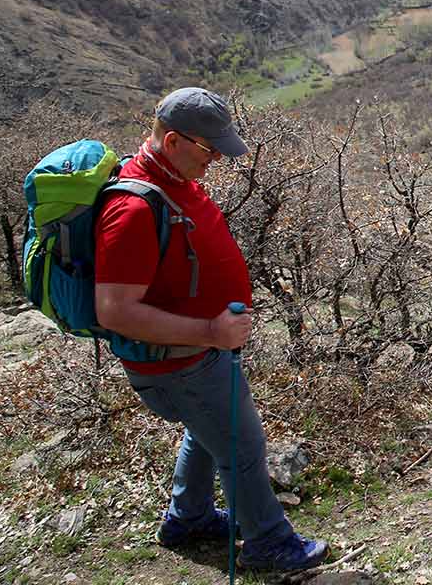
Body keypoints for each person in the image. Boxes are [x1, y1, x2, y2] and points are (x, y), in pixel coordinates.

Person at [94, 88, 327, 571]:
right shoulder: (134, 209)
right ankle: (269, 543)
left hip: (197, 351)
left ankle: (188, 517)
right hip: (178, 360)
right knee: (242, 445)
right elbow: (114, 310)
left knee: (207, 431)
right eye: (210, 148)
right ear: (173, 139)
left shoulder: (174, 179)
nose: (217, 158)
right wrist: (210, 330)